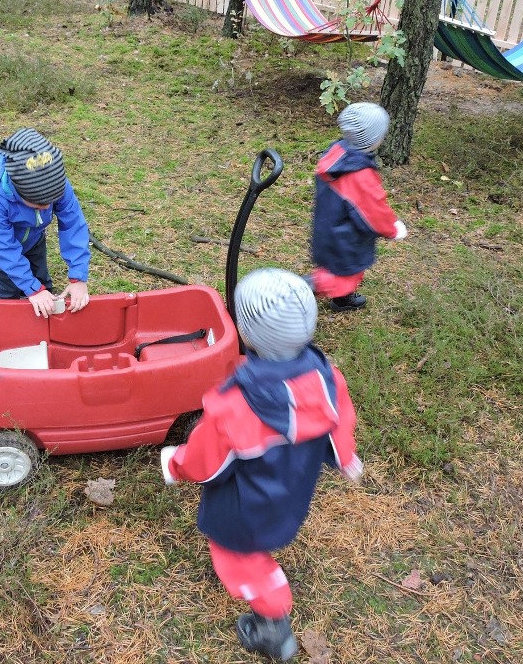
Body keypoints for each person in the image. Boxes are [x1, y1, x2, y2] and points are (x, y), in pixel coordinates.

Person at [159, 268, 362, 662]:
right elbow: (341, 419)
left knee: (238, 556)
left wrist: (176, 463)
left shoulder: (236, 405)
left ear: (247, 335)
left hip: (244, 507)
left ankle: (273, 623)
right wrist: (344, 454)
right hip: (292, 489)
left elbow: (207, 461)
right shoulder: (326, 378)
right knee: (264, 535)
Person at [0, 127, 91, 317]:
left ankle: (40, 312)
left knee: (41, 285)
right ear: (18, 190)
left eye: (50, 202)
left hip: (33, 235)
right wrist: (32, 288)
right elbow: (1, 246)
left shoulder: (58, 183)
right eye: (38, 203)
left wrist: (78, 277)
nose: (46, 207)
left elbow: (73, 224)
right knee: (2, 298)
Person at [309, 101, 407, 312]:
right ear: (372, 139)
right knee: (342, 275)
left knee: (339, 269)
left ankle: (342, 300)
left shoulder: (338, 152)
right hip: (346, 237)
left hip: (329, 225)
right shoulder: (359, 174)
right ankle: (303, 288)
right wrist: (392, 229)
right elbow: (373, 210)